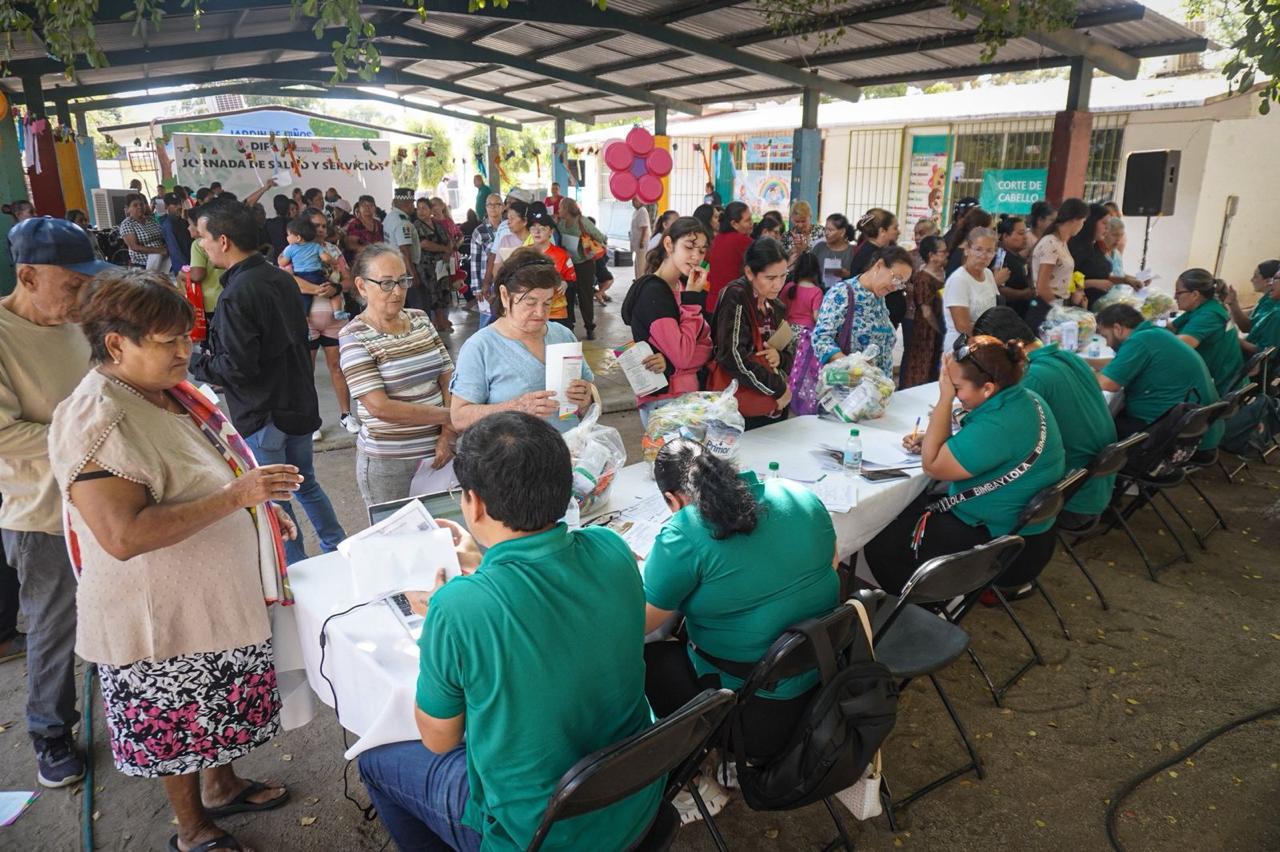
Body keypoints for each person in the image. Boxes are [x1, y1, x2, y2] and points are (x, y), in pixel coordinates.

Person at [50, 271, 297, 852]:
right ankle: (192, 828)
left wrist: (257, 514)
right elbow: (123, 535)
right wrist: (237, 499)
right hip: (156, 615)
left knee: (214, 709)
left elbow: (201, 474)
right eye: (169, 341)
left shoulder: (164, 392)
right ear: (117, 344)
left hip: (205, 598)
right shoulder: (98, 419)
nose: (186, 351)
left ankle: (222, 784)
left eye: (188, 337)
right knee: (179, 725)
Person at [356, 411, 662, 849]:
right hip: (633, 797)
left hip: (535, 833)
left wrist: (441, 615)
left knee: (374, 761)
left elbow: (439, 739)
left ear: (474, 505)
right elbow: (551, 601)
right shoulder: (611, 548)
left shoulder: (456, 608)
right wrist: (481, 560)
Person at [642, 439, 838, 786]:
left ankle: (693, 769)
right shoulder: (798, 495)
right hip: (824, 687)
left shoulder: (685, 531)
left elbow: (640, 623)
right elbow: (832, 562)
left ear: (673, 500)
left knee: (648, 658)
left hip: (754, 719)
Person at [0, 217, 116, 788]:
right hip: (41, 510)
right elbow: (3, 434)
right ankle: (49, 729)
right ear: (27, 277)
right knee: (54, 622)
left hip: (103, 496)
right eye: (71, 285)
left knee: (113, 602)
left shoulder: (76, 324)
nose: (81, 297)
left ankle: (122, 700)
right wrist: (87, 440)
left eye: (86, 284)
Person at [188, 200, 346, 563]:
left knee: (275, 498)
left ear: (224, 241)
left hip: (265, 415)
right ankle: (337, 552)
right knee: (305, 484)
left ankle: (296, 572)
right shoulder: (280, 278)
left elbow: (238, 367)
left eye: (204, 238)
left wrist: (196, 362)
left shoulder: (237, 294)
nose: (202, 245)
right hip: (297, 404)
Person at [863, 336, 1066, 593]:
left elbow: (932, 465)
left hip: (1002, 552)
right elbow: (987, 444)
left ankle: (920, 601)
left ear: (988, 388)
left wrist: (945, 399)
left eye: (957, 387)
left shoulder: (998, 425)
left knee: (880, 528)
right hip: (1029, 538)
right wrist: (936, 439)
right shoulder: (1027, 399)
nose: (954, 393)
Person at [973, 307, 1118, 526]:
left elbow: (996, 438)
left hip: (1066, 500)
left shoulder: (1032, 378)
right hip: (1094, 489)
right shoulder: (1069, 358)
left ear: (1006, 348)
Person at [339, 244, 455, 507]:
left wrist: (448, 434)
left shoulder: (421, 319)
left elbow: (447, 375)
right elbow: (380, 407)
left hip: (441, 453)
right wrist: (451, 417)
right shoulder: (354, 336)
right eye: (386, 283)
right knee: (397, 530)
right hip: (390, 464)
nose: (398, 291)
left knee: (444, 525)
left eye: (403, 281)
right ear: (361, 286)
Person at [450, 249, 597, 434]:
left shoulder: (563, 335)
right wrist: (514, 408)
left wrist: (586, 399)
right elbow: (459, 418)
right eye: (530, 302)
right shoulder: (480, 347)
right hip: (513, 451)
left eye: (547, 303)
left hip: (572, 445)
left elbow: (590, 391)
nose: (540, 313)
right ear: (505, 295)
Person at [1095, 303, 1223, 451]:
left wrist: (1080, 375)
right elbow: (1120, 363)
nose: (1107, 343)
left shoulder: (1139, 341)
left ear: (1118, 328)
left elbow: (1107, 384)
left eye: (1106, 336)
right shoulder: (1155, 334)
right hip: (1197, 426)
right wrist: (1084, 363)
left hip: (1171, 432)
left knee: (1097, 430)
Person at [621, 217, 710, 425]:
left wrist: (671, 363)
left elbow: (707, 347)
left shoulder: (683, 286)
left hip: (688, 396)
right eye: (689, 247)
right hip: (665, 403)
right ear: (669, 245)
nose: (696, 256)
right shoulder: (654, 293)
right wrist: (691, 302)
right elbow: (682, 356)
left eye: (702, 250)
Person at [711, 238, 793, 429]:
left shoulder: (776, 305)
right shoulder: (736, 296)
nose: (778, 284)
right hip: (739, 410)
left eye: (783, 276)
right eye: (770, 278)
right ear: (749, 272)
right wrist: (778, 388)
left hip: (771, 408)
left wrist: (779, 357)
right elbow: (732, 355)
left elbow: (789, 353)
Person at [296, 208, 358, 438]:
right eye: (316, 226)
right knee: (306, 371)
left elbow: (348, 279)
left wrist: (337, 287)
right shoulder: (293, 250)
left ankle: (346, 415)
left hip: (333, 320)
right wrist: (316, 289)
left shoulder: (333, 250)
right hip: (306, 320)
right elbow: (287, 279)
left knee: (338, 367)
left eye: (324, 225)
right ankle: (311, 420)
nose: (321, 230)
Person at [810, 244, 910, 379]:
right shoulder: (842, 293)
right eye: (896, 278)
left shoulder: (878, 298)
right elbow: (821, 340)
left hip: (877, 388)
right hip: (849, 386)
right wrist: (856, 367)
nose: (895, 287)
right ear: (879, 265)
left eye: (901, 284)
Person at [1170, 268, 1244, 396]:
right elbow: (1171, 327)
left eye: (1178, 292)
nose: (1174, 297)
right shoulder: (1203, 307)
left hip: (1217, 387)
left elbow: (1181, 346)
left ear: (1195, 294)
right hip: (1210, 375)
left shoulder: (1209, 315)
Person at [900, 234, 947, 389]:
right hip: (926, 330)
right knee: (922, 366)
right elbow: (926, 312)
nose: (946, 254)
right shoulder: (923, 278)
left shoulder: (943, 272)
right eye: (943, 252)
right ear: (931, 255)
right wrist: (940, 330)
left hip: (939, 325)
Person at [555, 198, 607, 339]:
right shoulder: (561, 223)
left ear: (567, 209)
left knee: (585, 296)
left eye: (560, 208)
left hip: (584, 264)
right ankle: (570, 326)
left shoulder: (582, 221)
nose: (558, 210)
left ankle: (589, 327)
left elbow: (600, 237)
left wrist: (586, 241)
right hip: (568, 265)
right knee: (568, 296)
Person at [943, 226, 1000, 352]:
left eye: (989, 251)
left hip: (984, 344)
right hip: (962, 348)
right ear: (967, 250)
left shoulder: (988, 274)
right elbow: (962, 326)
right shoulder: (959, 280)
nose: (983, 256)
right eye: (978, 249)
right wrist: (990, 342)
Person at [783, 252, 826, 413]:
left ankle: (784, 395)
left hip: (787, 331)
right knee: (801, 368)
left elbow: (780, 307)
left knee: (786, 365)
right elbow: (816, 316)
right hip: (805, 335)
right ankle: (797, 399)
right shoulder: (816, 291)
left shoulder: (788, 287)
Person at [1030, 197, 1088, 316]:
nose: (1082, 226)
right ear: (1074, 220)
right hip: (1046, 308)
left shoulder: (1062, 242)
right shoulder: (1050, 243)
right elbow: (1042, 287)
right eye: (1082, 221)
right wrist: (1060, 311)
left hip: (1056, 304)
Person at [526, 202, 576, 329]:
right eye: (533, 228)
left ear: (551, 231)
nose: (537, 231)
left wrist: (565, 283)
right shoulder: (524, 253)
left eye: (542, 228)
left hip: (556, 312)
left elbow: (571, 280)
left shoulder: (562, 255)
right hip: (530, 311)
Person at [1068, 203, 1121, 304]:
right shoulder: (1076, 248)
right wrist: (1093, 283)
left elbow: (1102, 275)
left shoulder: (1096, 246)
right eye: (1104, 223)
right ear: (1091, 222)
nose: (1107, 228)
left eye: (1108, 225)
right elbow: (1066, 282)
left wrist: (1127, 280)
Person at [413, 197, 453, 331]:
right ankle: (438, 321)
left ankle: (443, 319)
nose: (421, 211)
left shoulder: (437, 224)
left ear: (430, 210)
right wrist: (444, 249)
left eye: (424, 208)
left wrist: (448, 252)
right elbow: (424, 244)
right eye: (418, 208)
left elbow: (449, 240)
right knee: (432, 293)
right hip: (427, 266)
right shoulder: (416, 226)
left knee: (443, 290)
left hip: (441, 265)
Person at [706, 201, 754, 312]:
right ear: (734, 224)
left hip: (713, 303)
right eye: (747, 220)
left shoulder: (717, 238)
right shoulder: (742, 241)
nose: (752, 223)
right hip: (732, 304)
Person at [1226, 259, 1280, 352]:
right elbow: (1249, 326)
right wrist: (1233, 304)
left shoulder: (1276, 313)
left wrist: (1233, 337)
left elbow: (1264, 353)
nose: (1271, 283)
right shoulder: (1268, 300)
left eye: (1275, 279)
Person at [383, 189, 424, 304]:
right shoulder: (402, 222)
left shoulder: (390, 217)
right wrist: (413, 274)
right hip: (404, 268)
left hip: (393, 265)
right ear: (408, 204)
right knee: (415, 304)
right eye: (412, 204)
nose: (413, 207)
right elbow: (404, 250)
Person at [469, 193, 503, 321]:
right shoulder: (479, 231)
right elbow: (474, 261)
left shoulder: (508, 228)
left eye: (497, 204)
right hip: (486, 285)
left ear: (502, 207)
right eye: (490, 204)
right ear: (486, 207)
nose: (493, 207)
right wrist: (477, 288)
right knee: (487, 320)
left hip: (505, 281)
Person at [994, 215, 1033, 316]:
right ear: (1005, 236)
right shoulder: (1001, 257)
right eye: (1020, 233)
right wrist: (1022, 294)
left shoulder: (1018, 256)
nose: (1025, 237)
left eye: (1025, 233)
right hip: (1008, 314)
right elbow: (999, 289)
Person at [118, 192, 167, 270]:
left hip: (163, 259)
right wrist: (158, 251)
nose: (139, 207)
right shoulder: (127, 224)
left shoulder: (151, 220)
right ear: (128, 209)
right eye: (135, 205)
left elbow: (163, 237)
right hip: (143, 265)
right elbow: (134, 246)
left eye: (141, 204)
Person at [810, 213, 856, 291]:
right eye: (825, 229)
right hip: (817, 292)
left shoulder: (852, 252)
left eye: (830, 230)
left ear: (842, 232)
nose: (826, 233)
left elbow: (857, 277)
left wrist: (847, 274)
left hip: (842, 293)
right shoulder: (819, 247)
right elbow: (808, 269)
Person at [944, 206, 994, 278]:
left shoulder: (962, 249)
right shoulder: (963, 255)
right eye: (990, 230)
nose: (991, 234)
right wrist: (996, 280)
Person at [161, 192, 193, 275]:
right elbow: (175, 250)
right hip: (183, 267)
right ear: (166, 206)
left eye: (180, 203)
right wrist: (186, 268)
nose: (179, 206)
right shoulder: (168, 225)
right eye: (175, 205)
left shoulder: (183, 221)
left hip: (192, 261)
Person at [781, 200, 815, 266]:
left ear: (810, 217)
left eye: (803, 221)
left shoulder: (822, 232)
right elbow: (781, 260)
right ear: (791, 219)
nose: (800, 225)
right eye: (797, 221)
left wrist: (805, 249)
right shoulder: (786, 236)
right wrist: (792, 251)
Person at [264, 194, 292, 260]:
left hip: (277, 257)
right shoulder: (294, 222)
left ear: (274, 207)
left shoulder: (269, 223)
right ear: (289, 207)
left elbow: (267, 241)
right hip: (293, 257)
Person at [629, 197, 652, 266]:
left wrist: (642, 241)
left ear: (641, 201)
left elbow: (644, 228)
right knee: (637, 264)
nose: (633, 203)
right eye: (632, 201)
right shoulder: (636, 211)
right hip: (637, 243)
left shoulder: (642, 211)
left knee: (641, 264)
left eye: (635, 200)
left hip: (641, 244)